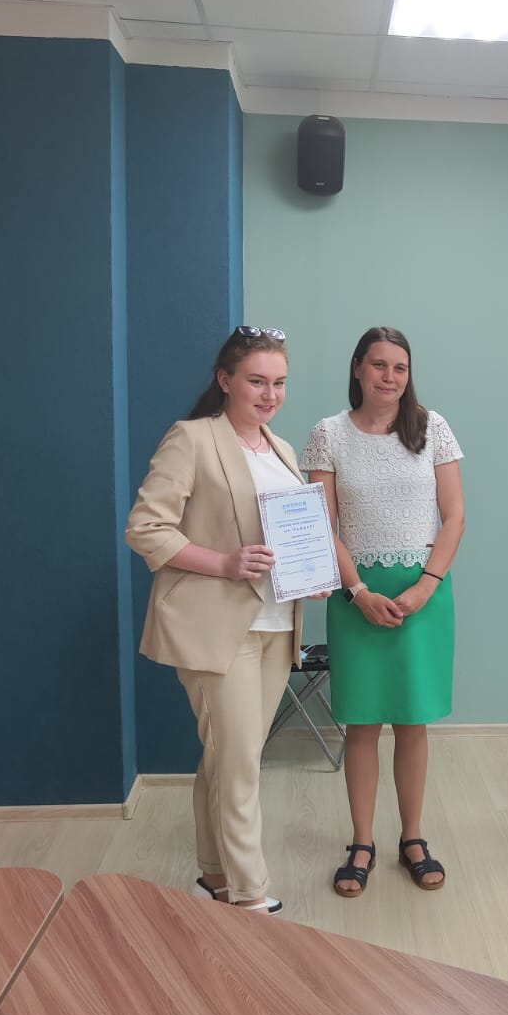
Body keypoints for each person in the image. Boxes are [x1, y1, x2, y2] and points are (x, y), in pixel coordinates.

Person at [127, 326, 325, 914]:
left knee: (227, 757)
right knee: (239, 764)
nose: (270, 395)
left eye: (279, 383)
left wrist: (309, 573)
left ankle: (214, 877)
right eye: (257, 381)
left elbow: (288, 535)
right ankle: (247, 894)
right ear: (225, 380)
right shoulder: (192, 439)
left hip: (277, 625)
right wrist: (224, 562)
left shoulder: (282, 449)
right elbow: (145, 528)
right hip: (216, 627)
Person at [302, 327, 465, 897]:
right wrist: (357, 592)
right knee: (363, 722)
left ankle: (413, 838)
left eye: (399, 367)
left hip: (423, 594)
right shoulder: (328, 434)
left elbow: (454, 516)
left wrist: (425, 586)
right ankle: (362, 842)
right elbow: (323, 525)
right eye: (378, 365)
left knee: (412, 722)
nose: (389, 376)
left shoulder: (433, 427)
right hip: (358, 596)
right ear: (357, 368)